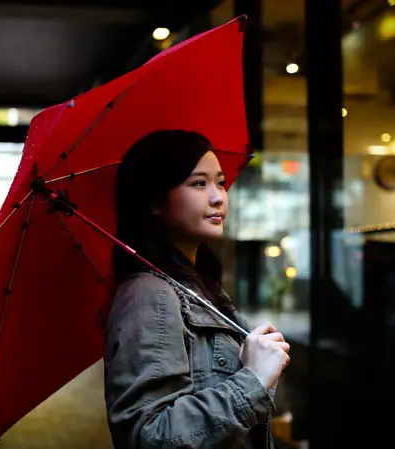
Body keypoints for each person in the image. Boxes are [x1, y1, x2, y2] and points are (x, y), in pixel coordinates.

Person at [103, 130, 290, 449]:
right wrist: (253, 380)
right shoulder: (151, 294)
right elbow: (148, 435)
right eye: (199, 183)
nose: (218, 196)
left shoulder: (199, 286)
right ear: (155, 202)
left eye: (219, 181)